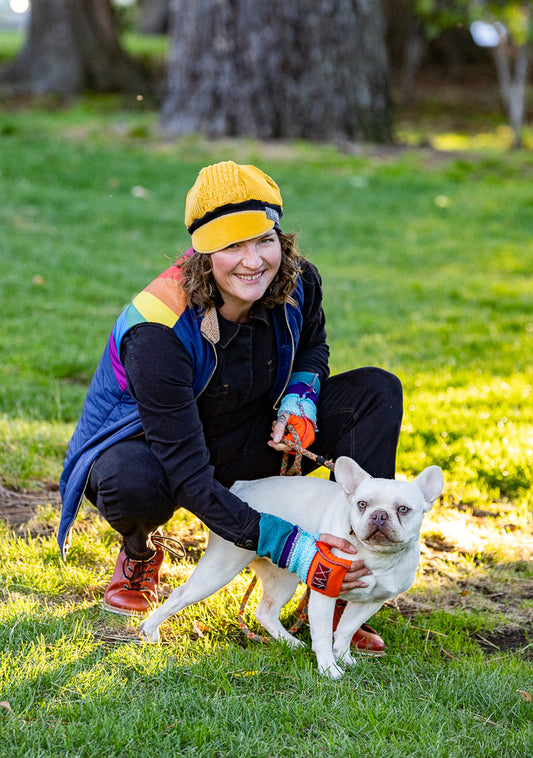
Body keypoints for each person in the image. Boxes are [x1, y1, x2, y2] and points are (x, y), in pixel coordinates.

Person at [59, 161, 403, 653]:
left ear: (281, 239)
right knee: (127, 482)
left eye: (263, 240)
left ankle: (344, 578)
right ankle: (138, 553)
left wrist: (300, 400)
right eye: (232, 245)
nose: (252, 261)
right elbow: (188, 473)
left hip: (250, 433)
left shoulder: (298, 280)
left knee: (377, 390)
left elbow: (312, 348)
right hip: (159, 451)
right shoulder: (156, 330)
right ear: (203, 250)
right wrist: (294, 547)